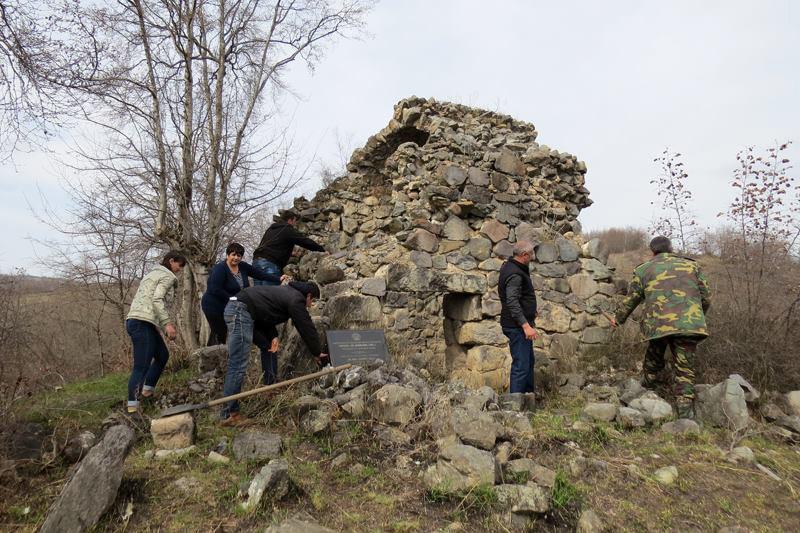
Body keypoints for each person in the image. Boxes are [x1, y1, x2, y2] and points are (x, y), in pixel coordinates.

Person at [611, 236, 711, 419]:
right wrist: (696, 316)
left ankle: (644, 397)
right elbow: (706, 297)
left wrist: (617, 320)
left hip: (658, 326)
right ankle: (686, 417)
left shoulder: (643, 270)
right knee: (685, 370)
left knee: (653, 359)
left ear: (652, 251)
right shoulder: (692, 266)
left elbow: (631, 299)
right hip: (689, 324)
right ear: (670, 248)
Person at [220, 281, 328, 426]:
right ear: (308, 295)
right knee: (238, 364)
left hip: (246, 310)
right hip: (240, 311)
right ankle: (230, 414)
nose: (310, 305)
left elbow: (265, 311)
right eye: (312, 301)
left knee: (269, 347)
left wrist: (273, 336)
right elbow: (305, 325)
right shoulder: (296, 299)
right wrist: (317, 352)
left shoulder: (286, 292)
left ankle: (270, 389)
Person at [202, 242, 290, 384]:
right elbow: (214, 289)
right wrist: (233, 298)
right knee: (220, 334)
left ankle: (269, 379)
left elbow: (259, 274)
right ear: (228, 255)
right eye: (233, 255)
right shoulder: (220, 269)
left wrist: (278, 278)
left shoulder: (242, 267)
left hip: (239, 306)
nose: (236, 258)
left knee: (250, 336)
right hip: (215, 306)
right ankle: (213, 371)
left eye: (239, 255)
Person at [125, 250, 187, 413]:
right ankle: (133, 407)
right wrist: (167, 324)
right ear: (171, 261)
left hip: (140, 321)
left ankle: (147, 391)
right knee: (141, 366)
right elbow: (157, 299)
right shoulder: (167, 276)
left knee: (162, 355)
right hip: (141, 322)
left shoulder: (151, 274)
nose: (179, 270)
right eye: (179, 265)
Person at [498, 240, 538, 394]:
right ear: (524, 255)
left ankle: (528, 398)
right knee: (521, 365)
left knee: (527, 362)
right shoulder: (514, 273)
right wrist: (526, 325)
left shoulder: (513, 266)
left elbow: (519, 298)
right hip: (517, 326)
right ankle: (514, 408)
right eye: (531, 255)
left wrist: (530, 310)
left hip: (519, 323)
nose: (533, 257)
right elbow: (512, 302)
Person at [251, 209, 326, 284]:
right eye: (295, 221)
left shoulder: (271, 229)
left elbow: (274, 245)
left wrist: (289, 253)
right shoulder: (287, 229)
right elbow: (304, 241)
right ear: (290, 220)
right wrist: (322, 250)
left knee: (258, 293)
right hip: (270, 264)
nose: (295, 224)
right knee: (269, 293)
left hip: (256, 262)